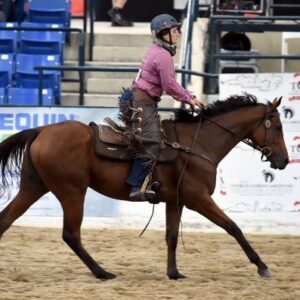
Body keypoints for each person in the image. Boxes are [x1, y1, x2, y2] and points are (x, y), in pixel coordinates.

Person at [120, 14, 205, 202]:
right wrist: (190, 98)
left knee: (145, 137)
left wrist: (188, 97)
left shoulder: (157, 50)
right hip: (140, 101)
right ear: (164, 34)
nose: (178, 34)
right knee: (151, 141)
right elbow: (169, 85)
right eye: (175, 31)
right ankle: (135, 186)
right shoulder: (163, 55)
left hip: (136, 98)